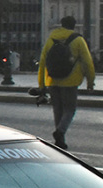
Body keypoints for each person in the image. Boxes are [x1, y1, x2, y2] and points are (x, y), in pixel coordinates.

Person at [37, 16, 95, 149]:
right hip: (70, 81)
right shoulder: (78, 40)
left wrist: (41, 84)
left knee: (57, 110)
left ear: (61, 25)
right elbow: (88, 62)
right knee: (69, 110)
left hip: (52, 80)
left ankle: (60, 140)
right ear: (74, 26)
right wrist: (90, 82)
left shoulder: (51, 39)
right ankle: (60, 132)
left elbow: (42, 62)